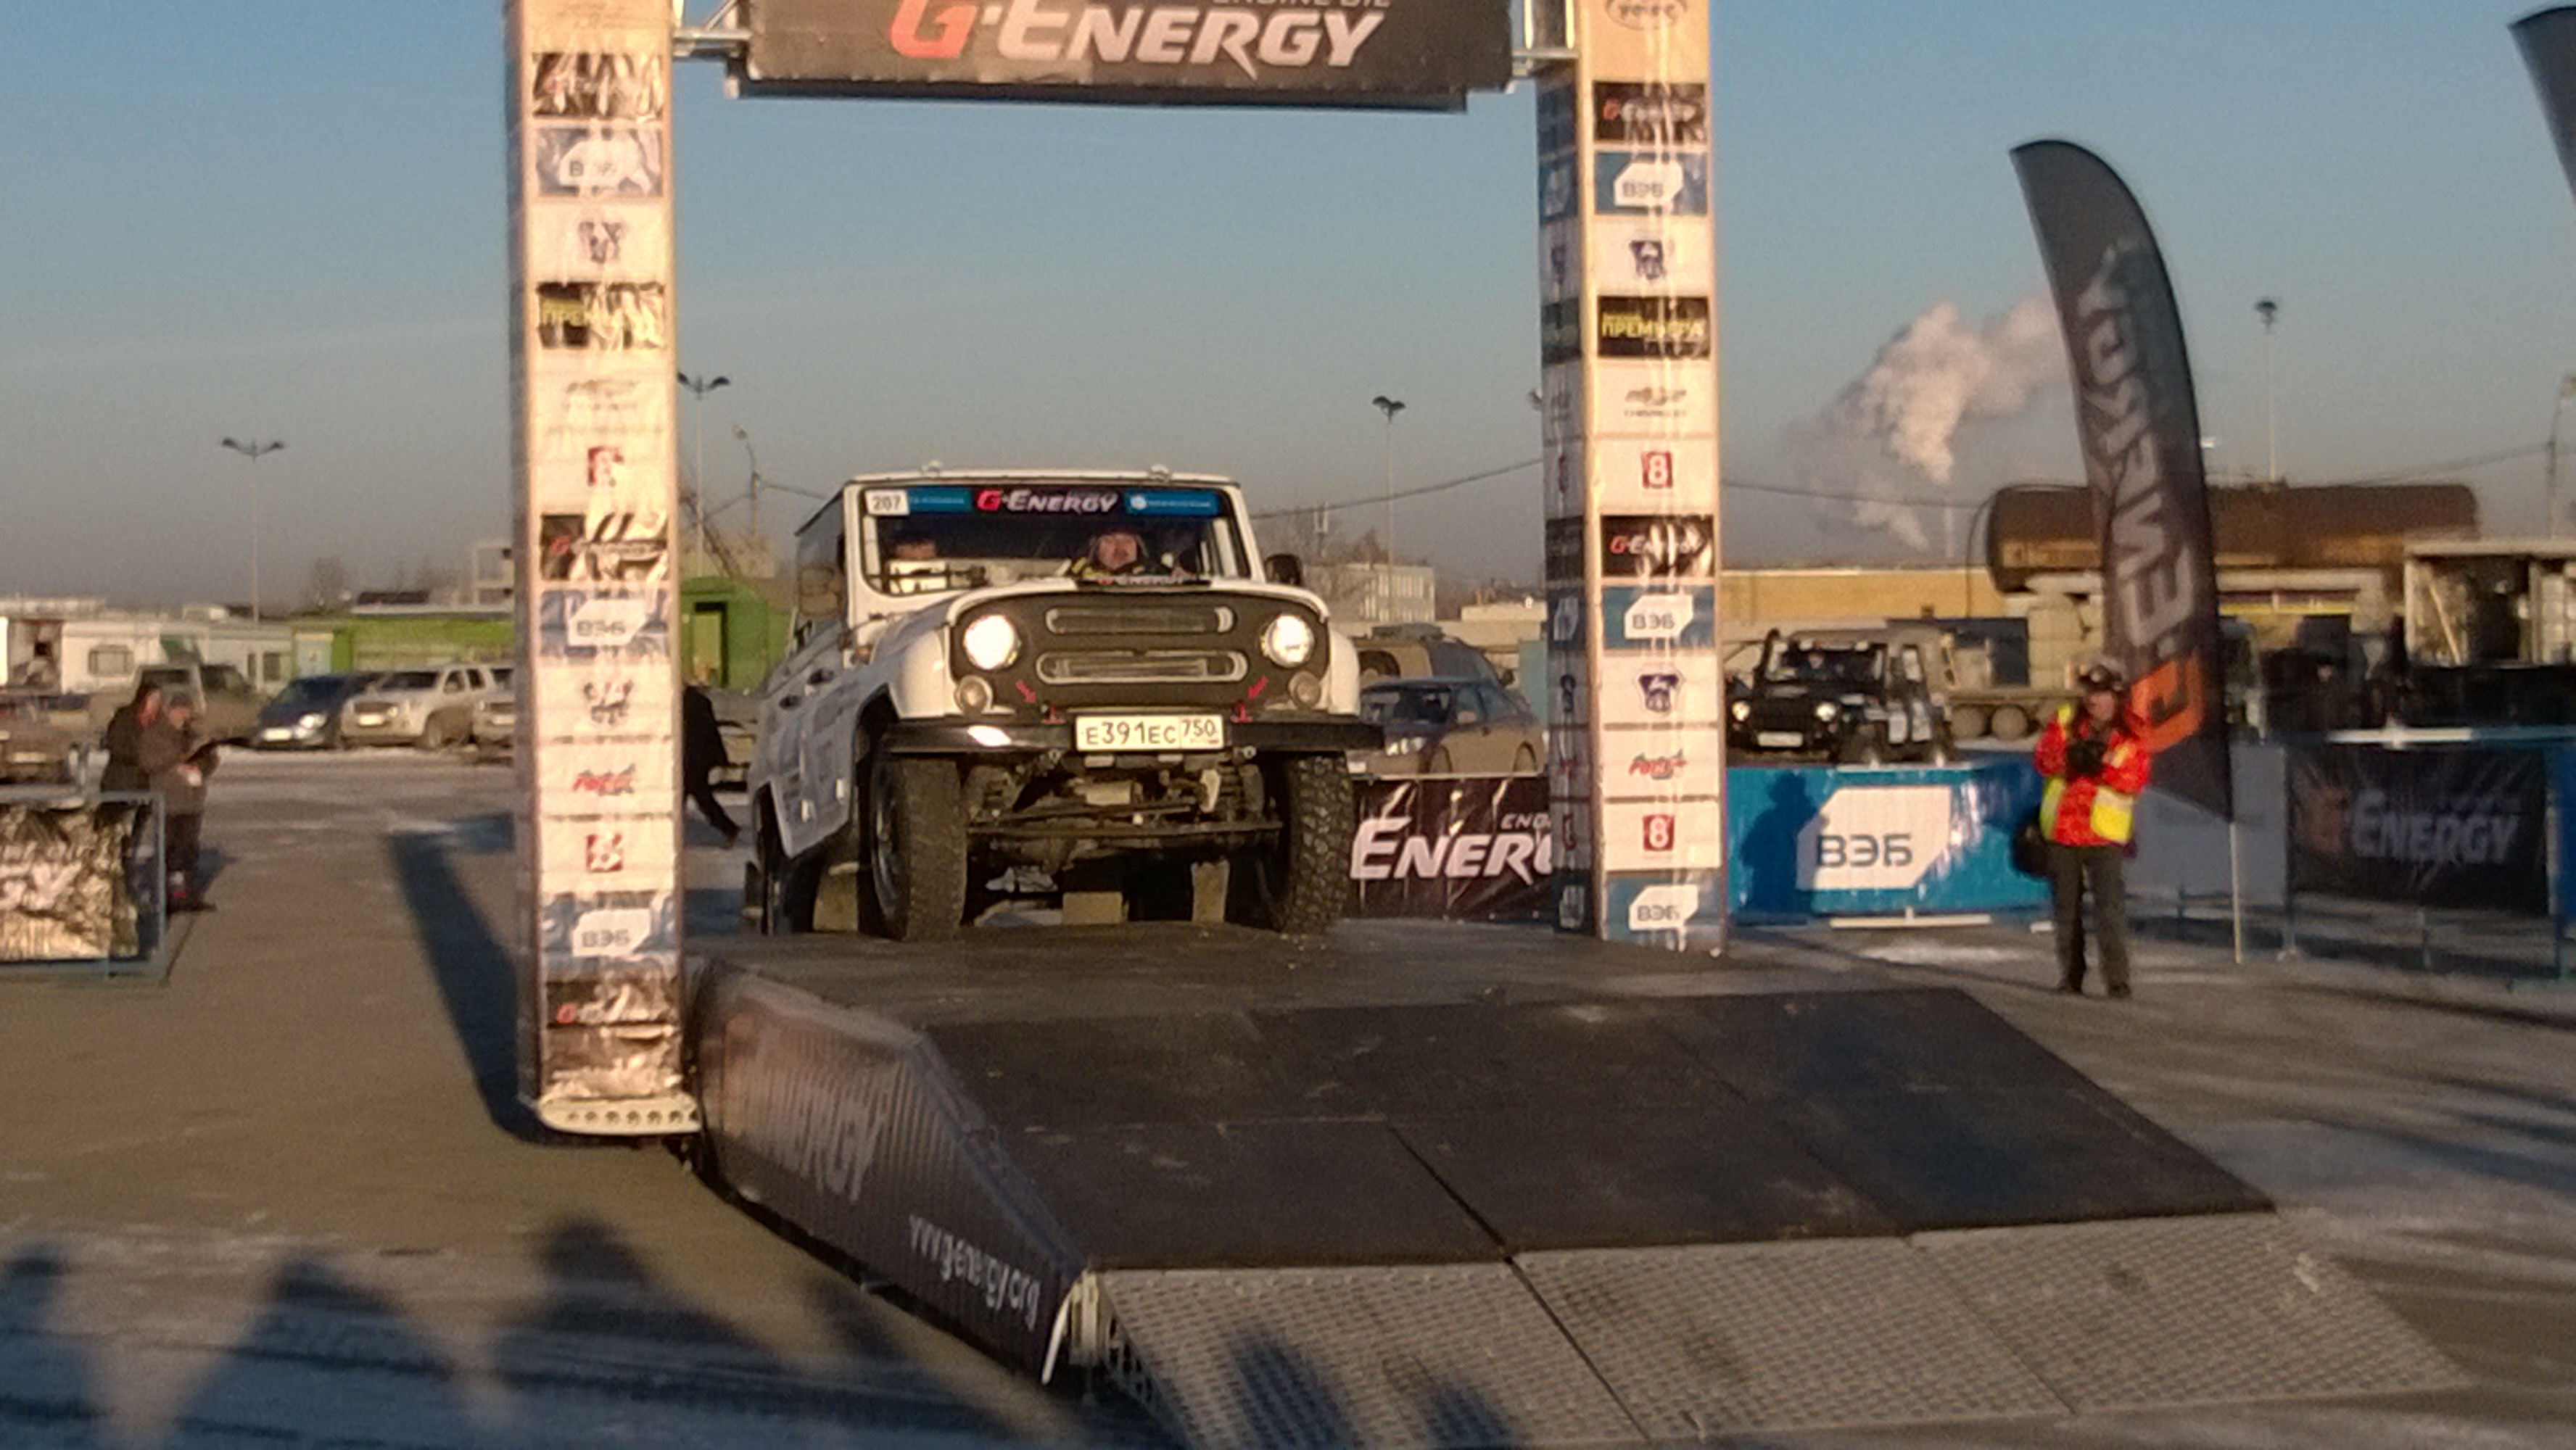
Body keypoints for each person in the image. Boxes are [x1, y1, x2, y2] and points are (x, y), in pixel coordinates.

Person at [2032, 659, 2151, 998]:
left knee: (2109, 912)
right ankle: (2071, 978)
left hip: (2103, 836)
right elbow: (2043, 760)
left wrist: (2100, 767)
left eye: (2100, 695)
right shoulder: (2065, 721)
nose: (2093, 701)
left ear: (2116, 698)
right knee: (2066, 912)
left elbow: (2134, 778)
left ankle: (2117, 981)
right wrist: (2071, 759)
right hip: (2063, 833)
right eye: (2089, 694)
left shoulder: (2130, 733)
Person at [144, 692, 217, 911]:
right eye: (179, 710)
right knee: (167, 851)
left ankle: (188, 895)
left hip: (192, 802)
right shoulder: (155, 735)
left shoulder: (193, 735)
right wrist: (177, 758)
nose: (183, 715)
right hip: (167, 801)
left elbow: (211, 758)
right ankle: (163, 898)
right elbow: (148, 763)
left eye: (186, 711)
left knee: (188, 851)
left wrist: (199, 767)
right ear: (169, 711)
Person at [682, 679, 740, 848]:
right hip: (697, 757)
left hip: (695, 758)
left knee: (698, 796)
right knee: (695, 796)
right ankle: (729, 829)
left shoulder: (690, 703)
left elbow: (698, 734)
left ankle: (729, 829)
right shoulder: (696, 700)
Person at [99, 680, 163, 793]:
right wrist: (142, 756)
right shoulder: (125, 717)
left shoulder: (158, 722)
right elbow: (116, 744)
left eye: (158, 700)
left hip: (144, 784)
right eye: (153, 699)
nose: (156, 703)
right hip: (120, 781)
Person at [1073, 527, 1152, 578]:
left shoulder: (1154, 575)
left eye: (1128, 540)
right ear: (1096, 550)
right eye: (1110, 540)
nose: (1120, 546)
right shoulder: (1076, 577)